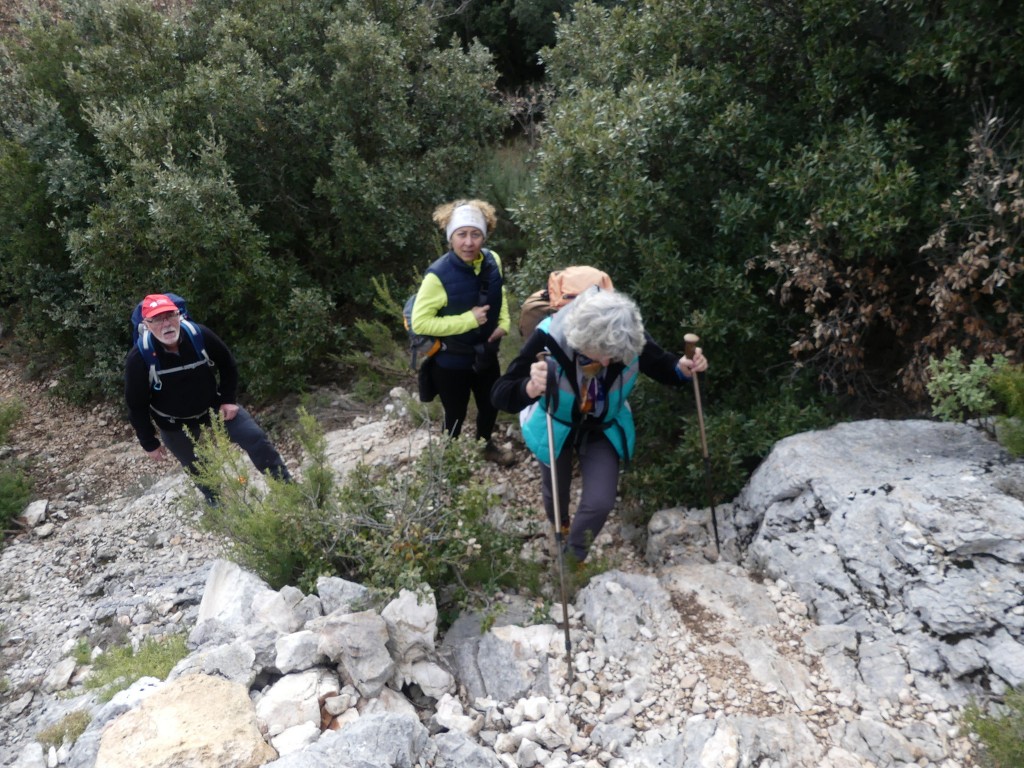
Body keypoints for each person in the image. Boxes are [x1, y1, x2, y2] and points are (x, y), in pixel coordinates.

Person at [491, 287, 708, 562]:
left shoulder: (629, 337)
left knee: (600, 502)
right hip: (556, 422)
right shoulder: (549, 337)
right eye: (600, 353)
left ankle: (572, 560)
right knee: (555, 496)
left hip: (602, 425)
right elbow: (501, 394)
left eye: (614, 355)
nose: (607, 361)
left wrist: (683, 368)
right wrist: (530, 387)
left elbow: (664, 367)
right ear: (579, 338)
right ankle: (559, 526)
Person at [124, 293, 292, 504]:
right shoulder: (139, 357)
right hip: (173, 422)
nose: (165, 324)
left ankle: (288, 488)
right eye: (157, 319)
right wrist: (149, 442)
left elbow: (228, 364)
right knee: (197, 467)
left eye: (169, 316)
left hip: (212, 408)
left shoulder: (198, 335)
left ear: (179, 316)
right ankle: (218, 505)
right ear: (147, 325)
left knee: (254, 437)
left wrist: (228, 399)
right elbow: (136, 403)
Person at [410, 199, 514, 464]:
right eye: (462, 234)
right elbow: (420, 323)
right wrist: (468, 320)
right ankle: (449, 460)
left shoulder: (493, 261)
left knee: (490, 404)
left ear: (484, 235)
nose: (469, 242)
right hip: (451, 361)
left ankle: (485, 445)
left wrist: (504, 322)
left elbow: (498, 291)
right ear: (450, 237)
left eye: (475, 234)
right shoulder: (437, 276)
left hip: (486, 354)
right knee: (454, 413)